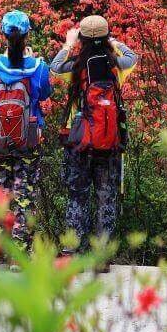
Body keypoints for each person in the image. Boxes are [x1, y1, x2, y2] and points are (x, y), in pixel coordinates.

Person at [50, 15, 138, 260]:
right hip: (109, 141)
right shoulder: (116, 66)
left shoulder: (77, 67)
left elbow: (55, 67)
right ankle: (101, 256)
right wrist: (114, 43)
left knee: (77, 194)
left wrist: (68, 45)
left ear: (82, 39)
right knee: (105, 197)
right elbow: (134, 57)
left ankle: (72, 251)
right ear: (105, 37)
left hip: (77, 140)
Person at [0, 10, 54, 251]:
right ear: (28, 35)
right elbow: (46, 93)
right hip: (28, 140)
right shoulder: (38, 67)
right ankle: (19, 255)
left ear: (3, 35)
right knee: (24, 197)